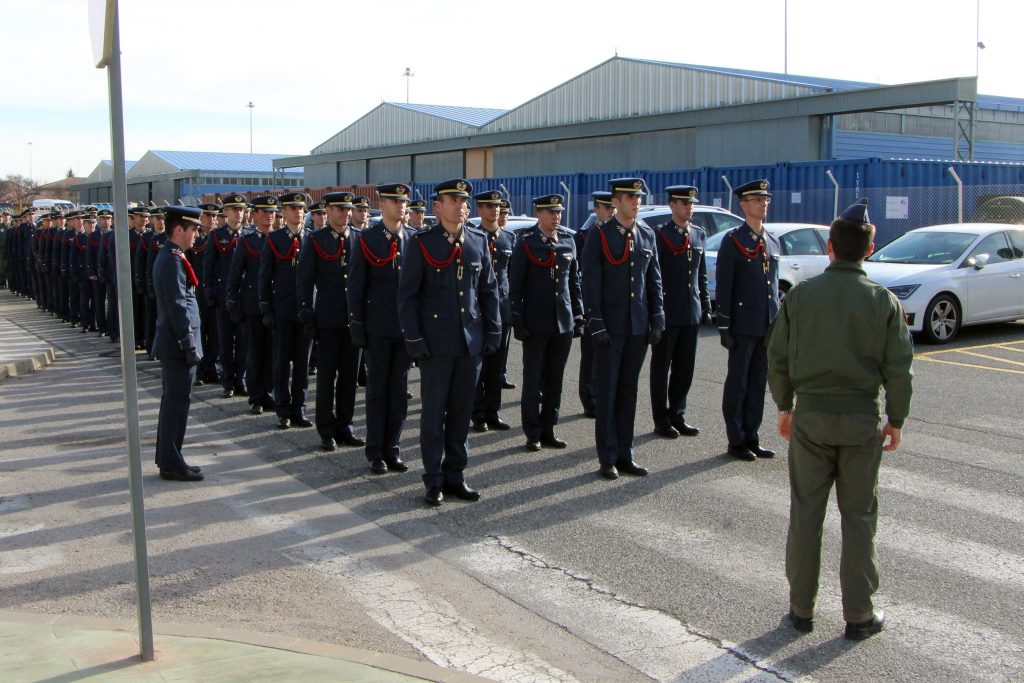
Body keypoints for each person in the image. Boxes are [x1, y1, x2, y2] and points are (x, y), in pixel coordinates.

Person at [767, 199, 913, 641]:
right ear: (868, 251)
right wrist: (896, 420)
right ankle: (859, 615)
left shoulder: (802, 295)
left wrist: (785, 406)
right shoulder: (882, 301)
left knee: (807, 514)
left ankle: (801, 610)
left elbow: (777, 359)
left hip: (811, 416)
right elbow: (900, 368)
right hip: (860, 418)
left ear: (829, 247)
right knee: (860, 517)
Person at [397, 178, 501, 506]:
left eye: (463, 200)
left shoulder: (477, 241)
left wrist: (493, 330)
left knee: (460, 413)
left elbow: (488, 291)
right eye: (452, 200)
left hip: (469, 344)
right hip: (436, 344)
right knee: (433, 415)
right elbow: (408, 297)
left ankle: (456, 474)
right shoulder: (422, 243)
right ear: (438, 206)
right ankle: (433, 479)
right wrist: (414, 339)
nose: (460, 205)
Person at [582, 178, 664, 480]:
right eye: (630, 197)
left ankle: (625, 453)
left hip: (637, 327)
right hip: (611, 328)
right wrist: (596, 322)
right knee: (608, 392)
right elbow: (590, 283)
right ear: (616, 201)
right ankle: (607, 456)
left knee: (629, 391)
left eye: (638, 197)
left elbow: (653, 280)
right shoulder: (600, 236)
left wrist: (657, 318)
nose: (636, 202)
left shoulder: (646, 235)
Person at [348, 186, 415, 473]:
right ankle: (375, 451)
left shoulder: (414, 238)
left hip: (405, 329)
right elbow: (356, 287)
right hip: (377, 327)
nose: (400, 206)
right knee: (377, 391)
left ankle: (393, 448)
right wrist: (358, 325)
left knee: (399, 392)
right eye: (394, 201)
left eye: (404, 202)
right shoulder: (367, 239)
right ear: (382, 204)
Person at [509, 194, 583, 451]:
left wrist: (578, 315)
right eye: (550, 212)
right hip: (535, 323)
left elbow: (573, 283)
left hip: (562, 323)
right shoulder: (526, 244)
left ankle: (549, 428)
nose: (556, 217)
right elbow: (515, 286)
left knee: (555, 379)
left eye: (558, 212)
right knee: (532, 379)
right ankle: (532, 432)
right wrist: (517, 320)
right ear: (539, 214)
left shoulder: (567, 242)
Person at [716, 179, 781, 461]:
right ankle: (736, 439)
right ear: (743, 205)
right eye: (756, 200)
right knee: (738, 383)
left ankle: (752, 435)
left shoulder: (772, 240)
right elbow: (725, 284)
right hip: (742, 324)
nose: (763, 203)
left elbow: (773, 286)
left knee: (757, 383)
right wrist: (724, 325)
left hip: (766, 323)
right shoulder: (733, 240)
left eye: (765, 199)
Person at [298, 191, 363, 451]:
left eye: (348, 209)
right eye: (339, 210)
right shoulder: (316, 240)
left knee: (350, 377)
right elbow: (304, 280)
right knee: (326, 377)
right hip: (327, 319)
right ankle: (326, 428)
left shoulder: (359, 239)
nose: (345, 214)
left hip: (354, 320)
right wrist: (306, 312)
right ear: (328, 211)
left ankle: (345, 425)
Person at [650, 185, 711, 438]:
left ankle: (678, 414)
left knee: (685, 367)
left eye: (691, 204)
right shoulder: (660, 235)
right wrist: (656, 311)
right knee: (662, 367)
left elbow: (701, 274)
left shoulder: (698, 234)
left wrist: (705, 304)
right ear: (672, 205)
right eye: (684, 204)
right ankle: (661, 418)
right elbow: (652, 276)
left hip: (690, 311)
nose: (689, 208)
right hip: (668, 311)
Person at [152, 206, 206, 482]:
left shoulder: (173, 257)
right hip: (177, 345)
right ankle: (172, 462)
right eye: (193, 229)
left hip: (176, 344)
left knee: (173, 403)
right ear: (178, 231)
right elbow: (177, 306)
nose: (196, 234)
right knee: (176, 404)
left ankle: (170, 457)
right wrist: (188, 343)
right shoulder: (172, 260)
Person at [259, 191, 313, 429]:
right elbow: (265, 276)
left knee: (302, 363)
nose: (298, 212)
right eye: (292, 208)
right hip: (282, 310)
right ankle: (283, 409)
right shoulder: (274, 239)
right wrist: (266, 308)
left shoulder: (311, 238)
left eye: (301, 208)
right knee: (281, 363)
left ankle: (299, 408)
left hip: (306, 311)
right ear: (283, 212)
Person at [227, 196, 277, 415]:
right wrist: (233, 302)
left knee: (273, 353)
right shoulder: (247, 241)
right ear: (254, 214)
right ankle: (256, 396)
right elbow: (235, 274)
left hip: (276, 304)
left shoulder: (280, 239)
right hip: (253, 304)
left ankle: (270, 392)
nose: (269, 216)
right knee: (255, 352)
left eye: (272, 212)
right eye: (264, 212)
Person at [471, 190, 515, 433]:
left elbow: (513, 277)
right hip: (478, 312)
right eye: (488, 206)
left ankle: (493, 412)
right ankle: (477, 414)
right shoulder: (473, 237)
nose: (494, 210)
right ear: (479, 209)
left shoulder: (508, 239)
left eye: (497, 206)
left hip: (501, 312)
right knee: (480, 366)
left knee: (497, 365)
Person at [205, 193, 249, 397]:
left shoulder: (248, 235)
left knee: (243, 341)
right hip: (223, 296)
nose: (239, 213)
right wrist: (210, 292)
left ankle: (241, 378)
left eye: (241, 209)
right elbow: (209, 266)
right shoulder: (216, 235)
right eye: (235, 209)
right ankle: (228, 381)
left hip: (243, 296)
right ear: (226, 212)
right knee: (224, 340)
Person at [575, 191, 614, 418]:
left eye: (613, 208)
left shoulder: (617, 234)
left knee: (607, 356)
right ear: (596, 209)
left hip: (611, 304)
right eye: (606, 208)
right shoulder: (585, 237)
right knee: (590, 355)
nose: (611, 212)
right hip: (591, 303)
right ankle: (589, 399)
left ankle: (602, 396)